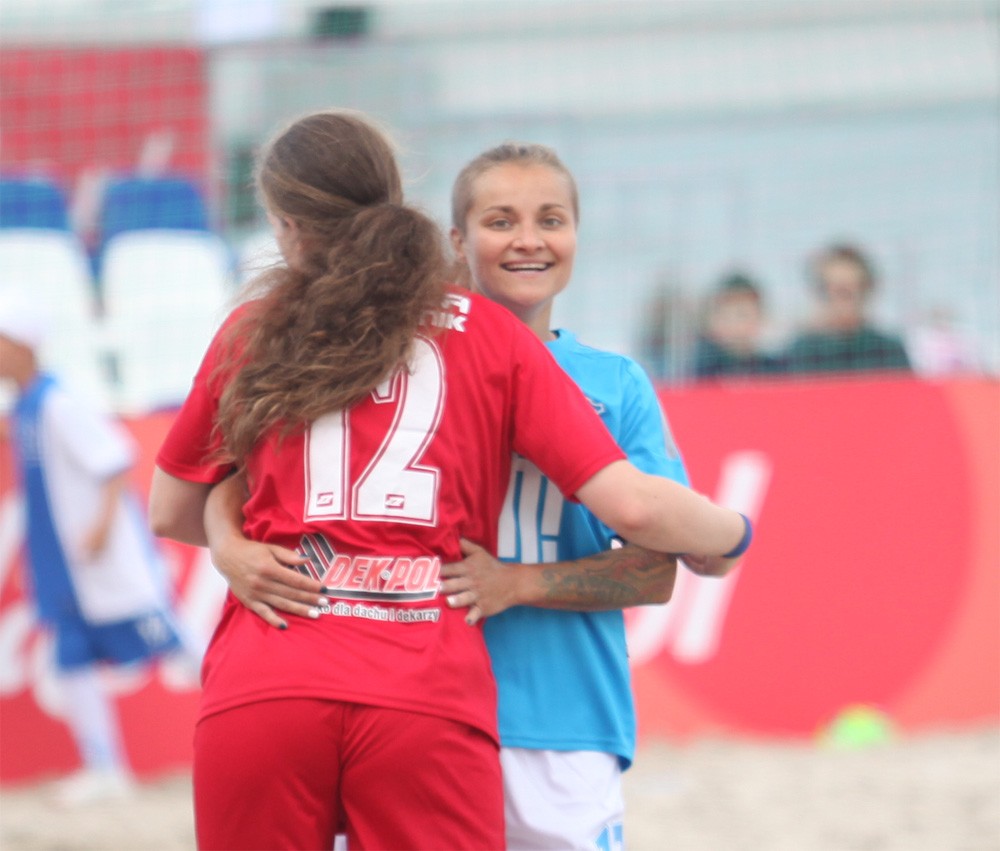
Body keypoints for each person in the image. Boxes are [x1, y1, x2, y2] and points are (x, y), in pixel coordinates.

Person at [148, 109, 751, 851]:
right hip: (422, 685)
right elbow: (634, 506)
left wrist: (225, 537)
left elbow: (171, 506)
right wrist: (735, 531)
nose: (528, 239)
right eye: (503, 220)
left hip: (271, 676)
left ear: (285, 224)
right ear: (414, 210)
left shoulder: (254, 329)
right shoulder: (490, 335)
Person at [437, 141, 751, 849]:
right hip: (426, 713)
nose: (528, 239)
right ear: (458, 241)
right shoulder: (414, 368)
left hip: (569, 719)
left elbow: (655, 568)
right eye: (500, 220)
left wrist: (517, 582)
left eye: (551, 218)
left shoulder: (615, 383)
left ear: (576, 235)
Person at [0, 292, 184, 806]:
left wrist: (102, 528)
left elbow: (114, 459)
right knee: (73, 661)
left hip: (97, 561)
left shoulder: (59, 400)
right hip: (66, 565)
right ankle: (105, 768)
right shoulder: (31, 402)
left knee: (171, 642)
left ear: (19, 346)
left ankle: (244, 727)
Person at [785, 243, 911, 374]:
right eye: (837, 290)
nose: (844, 302)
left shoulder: (888, 351)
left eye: (851, 290)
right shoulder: (801, 353)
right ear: (820, 292)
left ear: (867, 290)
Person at [692, 271, 785, 378]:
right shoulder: (702, 372)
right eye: (725, 315)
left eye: (742, 315)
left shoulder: (775, 371)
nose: (733, 324)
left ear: (760, 318)